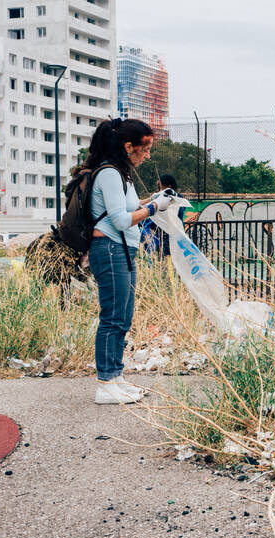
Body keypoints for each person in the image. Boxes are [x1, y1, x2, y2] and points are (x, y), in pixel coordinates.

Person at [78, 118, 161, 405]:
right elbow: (121, 219)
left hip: (122, 250)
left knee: (123, 317)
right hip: (110, 249)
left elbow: (128, 208)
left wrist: (154, 201)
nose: (147, 155)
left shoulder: (121, 175)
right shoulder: (110, 173)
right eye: (145, 148)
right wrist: (152, 208)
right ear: (128, 146)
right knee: (112, 318)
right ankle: (105, 383)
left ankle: (116, 378)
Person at [140, 173, 186, 257]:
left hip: (168, 235)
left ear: (168, 186)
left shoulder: (169, 198)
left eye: (161, 187)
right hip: (175, 234)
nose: (160, 190)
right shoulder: (179, 198)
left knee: (167, 259)